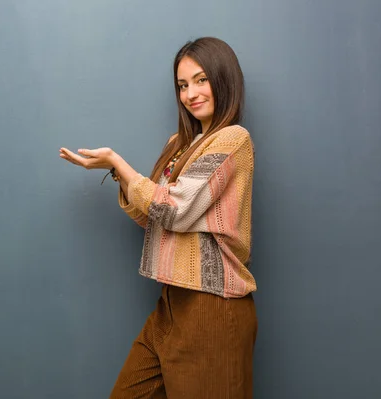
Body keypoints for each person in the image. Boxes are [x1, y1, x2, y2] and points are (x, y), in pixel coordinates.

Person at [59, 37, 257, 399]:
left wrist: (120, 164)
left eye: (200, 80)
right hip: (171, 304)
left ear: (224, 79)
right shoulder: (179, 144)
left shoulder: (233, 139)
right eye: (182, 85)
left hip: (212, 307)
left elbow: (174, 210)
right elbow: (154, 216)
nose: (190, 93)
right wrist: (120, 176)